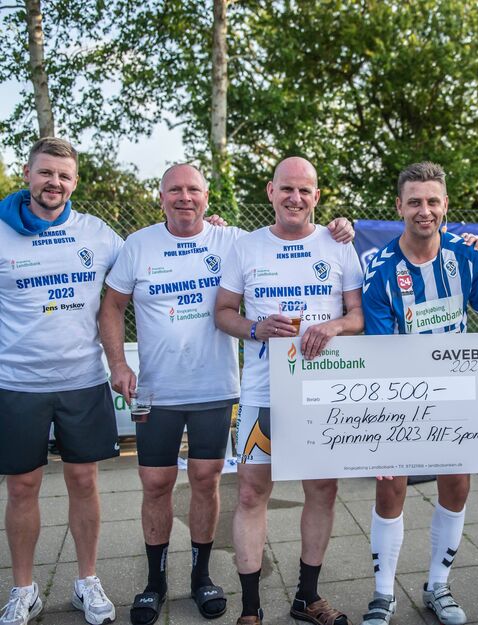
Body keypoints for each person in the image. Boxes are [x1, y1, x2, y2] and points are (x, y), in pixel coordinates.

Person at [98, 163, 354, 625]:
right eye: (175, 190)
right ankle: (160, 585)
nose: (185, 197)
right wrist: (118, 363)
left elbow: (355, 306)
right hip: (166, 389)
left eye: (193, 190)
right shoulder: (150, 244)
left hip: (233, 389)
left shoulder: (239, 239)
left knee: (215, 480)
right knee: (164, 485)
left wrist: (342, 230)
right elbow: (117, 305)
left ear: (207, 196)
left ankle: (214, 581)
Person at [214, 156, 364, 625]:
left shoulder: (339, 244)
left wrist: (333, 326)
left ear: (316, 196)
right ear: (271, 192)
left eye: (304, 190)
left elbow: (358, 316)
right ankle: (250, 608)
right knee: (250, 494)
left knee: (322, 490)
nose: (295, 198)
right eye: (286, 189)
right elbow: (222, 312)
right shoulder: (246, 247)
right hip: (263, 393)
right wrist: (255, 328)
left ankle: (307, 598)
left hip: (322, 394)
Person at [359, 162, 478, 625]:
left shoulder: (469, 257)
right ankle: (383, 594)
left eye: (433, 201)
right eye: (415, 202)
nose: (424, 210)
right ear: (399, 206)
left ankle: (438, 586)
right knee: (390, 486)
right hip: (400, 393)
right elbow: (382, 353)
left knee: (457, 483)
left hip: (457, 390)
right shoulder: (380, 272)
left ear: (445, 205)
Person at [0, 138, 119, 625]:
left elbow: (150, 262)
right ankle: (23, 589)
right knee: (22, 486)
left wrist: (209, 231)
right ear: (27, 174)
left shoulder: (97, 233)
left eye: (64, 176)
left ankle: (86, 581)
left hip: (83, 380)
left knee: (84, 480)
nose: (55, 183)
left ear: (75, 182)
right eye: (46, 172)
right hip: (17, 382)